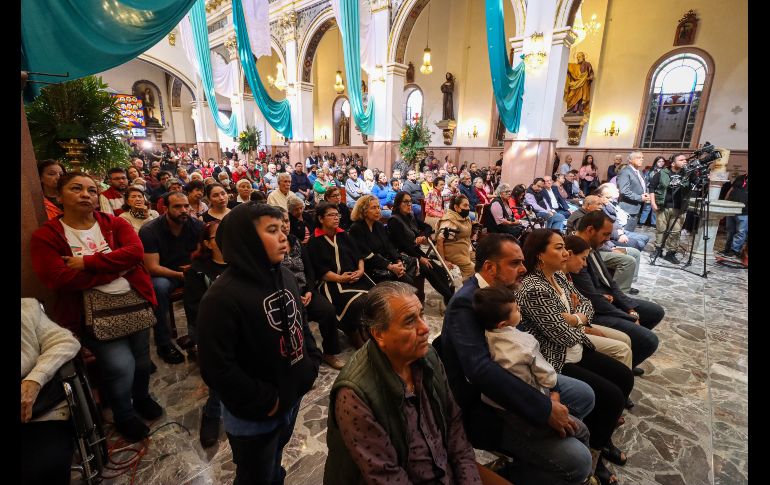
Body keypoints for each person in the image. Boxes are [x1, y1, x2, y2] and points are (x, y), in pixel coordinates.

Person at [441, 234, 595, 485]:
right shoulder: (466, 303)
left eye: (522, 262)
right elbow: (481, 371)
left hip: (521, 376)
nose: (523, 268)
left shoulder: (504, 291)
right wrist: (545, 408)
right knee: (578, 462)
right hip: (486, 403)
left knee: (584, 394)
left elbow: (523, 341)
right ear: (490, 268)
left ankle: (542, 451)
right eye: (515, 263)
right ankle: (514, 473)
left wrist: (551, 391)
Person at [325, 281, 501, 485]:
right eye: (409, 321)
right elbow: (386, 475)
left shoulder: (428, 356)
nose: (425, 328)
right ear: (379, 334)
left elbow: (455, 428)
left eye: (421, 315)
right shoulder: (354, 395)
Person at [31, 172, 162, 442]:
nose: (86, 195)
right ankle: (124, 414)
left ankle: (142, 397)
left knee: (141, 360)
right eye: (76, 189)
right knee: (120, 365)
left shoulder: (114, 223)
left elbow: (134, 253)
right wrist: (115, 269)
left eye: (91, 190)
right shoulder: (47, 236)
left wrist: (87, 263)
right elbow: (58, 278)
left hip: (134, 302)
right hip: (92, 312)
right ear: (59, 196)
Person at [197, 203, 321, 484]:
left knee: (275, 457)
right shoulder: (222, 297)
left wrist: (310, 363)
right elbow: (217, 368)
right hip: (255, 413)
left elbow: (300, 321)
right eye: (272, 230)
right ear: (246, 239)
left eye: (282, 228)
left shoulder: (284, 274)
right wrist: (266, 400)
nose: (283, 236)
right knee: (255, 473)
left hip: (290, 394)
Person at [517, 229, 633, 485]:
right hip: (556, 357)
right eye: (558, 248)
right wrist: (577, 319)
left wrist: (575, 318)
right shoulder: (533, 287)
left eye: (564, 247)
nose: (565, 253)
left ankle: (602, 437)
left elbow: (586, 304)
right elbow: (561, 335)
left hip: (576, 346)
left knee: (623, 376)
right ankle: (595, 458)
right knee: (611, 396)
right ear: (540, 254)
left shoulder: (558, 275)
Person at [571, 211, 664, 373]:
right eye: (605, 234)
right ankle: (620, 371)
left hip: (605, 299)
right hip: (594, 310)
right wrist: (627, 317)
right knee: (649, 340)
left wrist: (630, 308)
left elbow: (610, 283)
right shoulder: (575, 250)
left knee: (655, 311)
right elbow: (592, 299)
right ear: (590, 230)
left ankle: (625, 364)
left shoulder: (591, 246)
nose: (608, 239)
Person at [21, 298, 81, 485]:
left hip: (40, 411)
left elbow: (65, 341)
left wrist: (36, 378)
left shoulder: (26, 308)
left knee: (47, 465)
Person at [139, 191, 204, 364]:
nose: (183, 210)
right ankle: (163, 343)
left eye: (186, 206)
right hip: (164, 273)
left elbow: (202, 256)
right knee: (158, 288)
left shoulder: (197, 226)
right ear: (165, 208)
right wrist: (181, 275)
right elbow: (152, 267)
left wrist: (193, 273)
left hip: (190, 271)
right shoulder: (150, 230)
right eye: (177, 206)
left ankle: (200, 336)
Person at [181, 221, 227, 447]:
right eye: (219, 235)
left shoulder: (242, 262)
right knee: (221, 367)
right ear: (208, 244)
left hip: (241, 324)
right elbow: (194, 309)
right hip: (212, 328)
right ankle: (212, 412)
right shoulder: (198, 271)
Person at [308, 202, 374, 350]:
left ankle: (364, 326)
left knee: (375, 294)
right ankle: (353, 331)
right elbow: (320, 270)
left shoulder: (343, 234)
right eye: (331, 215)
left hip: (354, 276)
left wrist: (360, 270)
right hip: (331, 281)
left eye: (337, 215)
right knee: (354, 302)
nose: (336, 218)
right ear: (320, 219)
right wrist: (340, 278)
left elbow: (358, 255)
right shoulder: (314, 241)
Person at [563, 236, 633, 370]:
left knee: (625, 339)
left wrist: (576, 317)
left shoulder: (564, 276)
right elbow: (556, 323)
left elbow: (587, 304)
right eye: (583, 258)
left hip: (578, 324)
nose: (585, 264)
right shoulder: (538, 285)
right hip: (567, 338)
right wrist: (582, 325)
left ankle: (622, 372)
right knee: (622, 350)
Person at [388, 191, 455, 304]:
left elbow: (428, 227)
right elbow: (403, 245)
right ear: (398, 204)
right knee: (429, 271)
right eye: (406, 202)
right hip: (403, 255)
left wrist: (423, 236)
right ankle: (452, 300)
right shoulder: (394, 221)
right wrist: (420, 258)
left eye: (410, 201)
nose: (409, 204)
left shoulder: (410, 216)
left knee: (440, 271)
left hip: (414, 251)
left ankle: (449, 300)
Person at [349, 195, 417, 285]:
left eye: (378, 207)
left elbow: (389, 246)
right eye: (373, 208)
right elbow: (367, 254)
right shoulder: (356, 228)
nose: (378, 211)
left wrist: (398, 260)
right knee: (407, 282)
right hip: (371, 267)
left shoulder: (378, 225)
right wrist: (391, 266)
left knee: (411, 270)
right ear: (363, 211)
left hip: (386, 263)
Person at [648, 153, 688, 264]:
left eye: (685, 160)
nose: (685, 161)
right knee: (661, 229)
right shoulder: (662, 173)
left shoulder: (687, 174)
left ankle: (671, 253)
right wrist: (653, 203)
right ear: (673, 163)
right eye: (681, 160)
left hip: (679, 208)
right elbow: (652, 187)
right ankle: (658, 250)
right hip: (663, 206)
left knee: (675, 232)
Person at [437, 194, 475, 278]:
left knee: (482, 263)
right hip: (454, 253)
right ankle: (468, 285)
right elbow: (439, 240)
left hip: (466, 250)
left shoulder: (465, 217)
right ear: (456, 207)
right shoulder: (450, 220)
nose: (468, 208)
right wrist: (443, 261)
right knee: (472, 269)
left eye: (468, 205)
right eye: (465, 205)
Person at [617, 151, 651, 232]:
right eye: (638, 158)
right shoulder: (625, 172)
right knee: (625, 232)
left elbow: (641, 186)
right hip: (627, 208)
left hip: (637, 207)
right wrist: (640, 197)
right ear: (630, 160)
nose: (642, 159)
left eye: (642, 158)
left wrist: (645, 193)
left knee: (631, 232)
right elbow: (624, 190)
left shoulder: (639, 172)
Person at [720, 170, 748, 257]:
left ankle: (735, 250)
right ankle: (727, 249)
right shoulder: (740, 177)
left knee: (741, 231)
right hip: (731, 208)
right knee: (730, 230)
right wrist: (725, 202)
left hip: (745, 211)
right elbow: (731, 190)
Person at [638, 156, 665, 227]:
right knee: (647, 208)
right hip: (650, 191)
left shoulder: (665, 171)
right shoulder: (650, 171)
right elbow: (645, 181)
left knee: (655, 208)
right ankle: (641, 222)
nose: (661, 163)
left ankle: (653, 223)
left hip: (659, 192)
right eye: (659, 161)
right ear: (655, 162)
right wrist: (646, 191)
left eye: (662, 161)